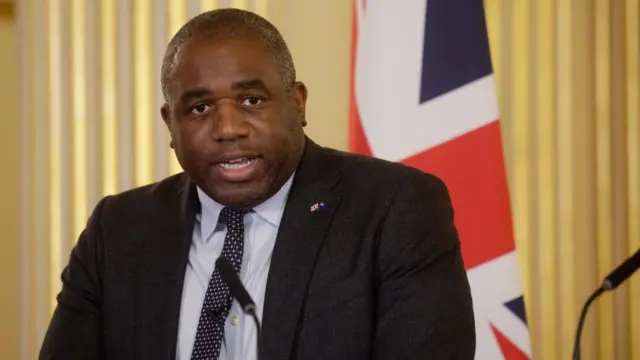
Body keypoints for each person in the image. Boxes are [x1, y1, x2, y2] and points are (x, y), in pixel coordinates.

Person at [39, 8, 475, 360]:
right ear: (169, 124)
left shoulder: (395, 208)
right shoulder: (118, 230)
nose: (228, 128)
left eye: (251, 100)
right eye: (199, 108)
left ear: (298, 102)